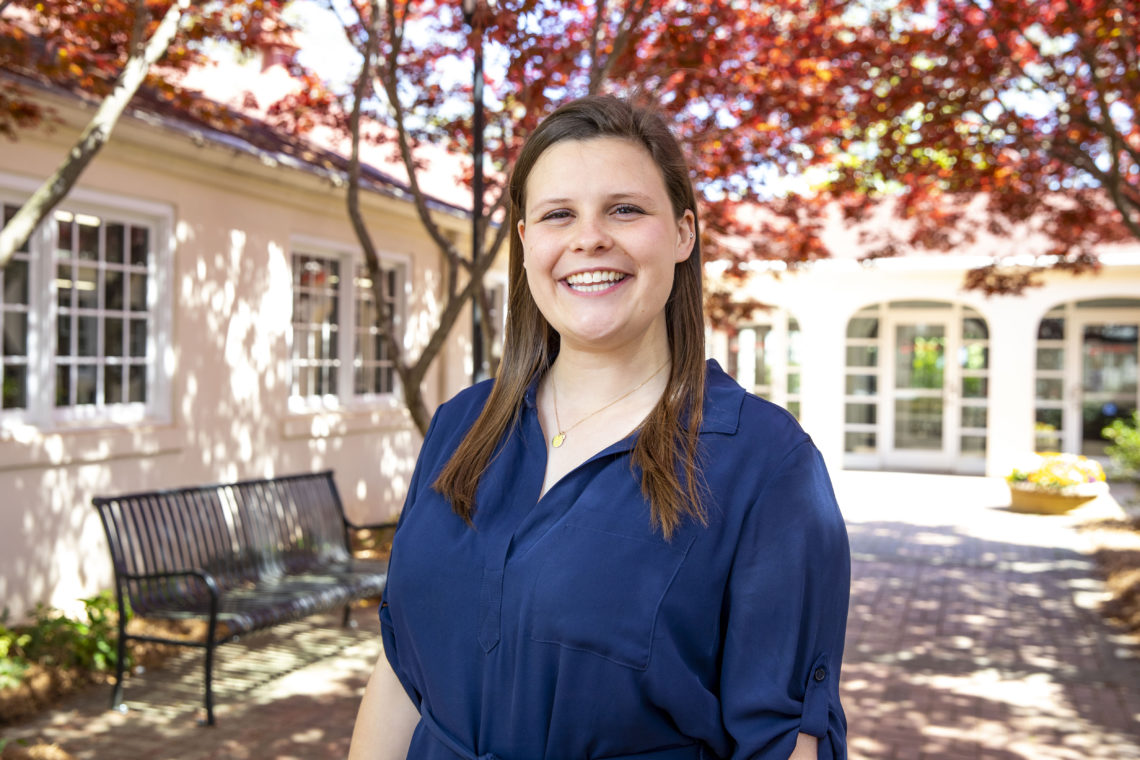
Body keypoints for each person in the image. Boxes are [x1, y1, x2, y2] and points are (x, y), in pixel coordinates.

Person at [348, 94, 850, 760]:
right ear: (527, 244)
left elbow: (785, 746)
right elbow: (402, 675)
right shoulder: (459, 428)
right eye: (560, 214)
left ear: (682, 233)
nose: (589, 238)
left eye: (625, 209)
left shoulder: (766, 466)